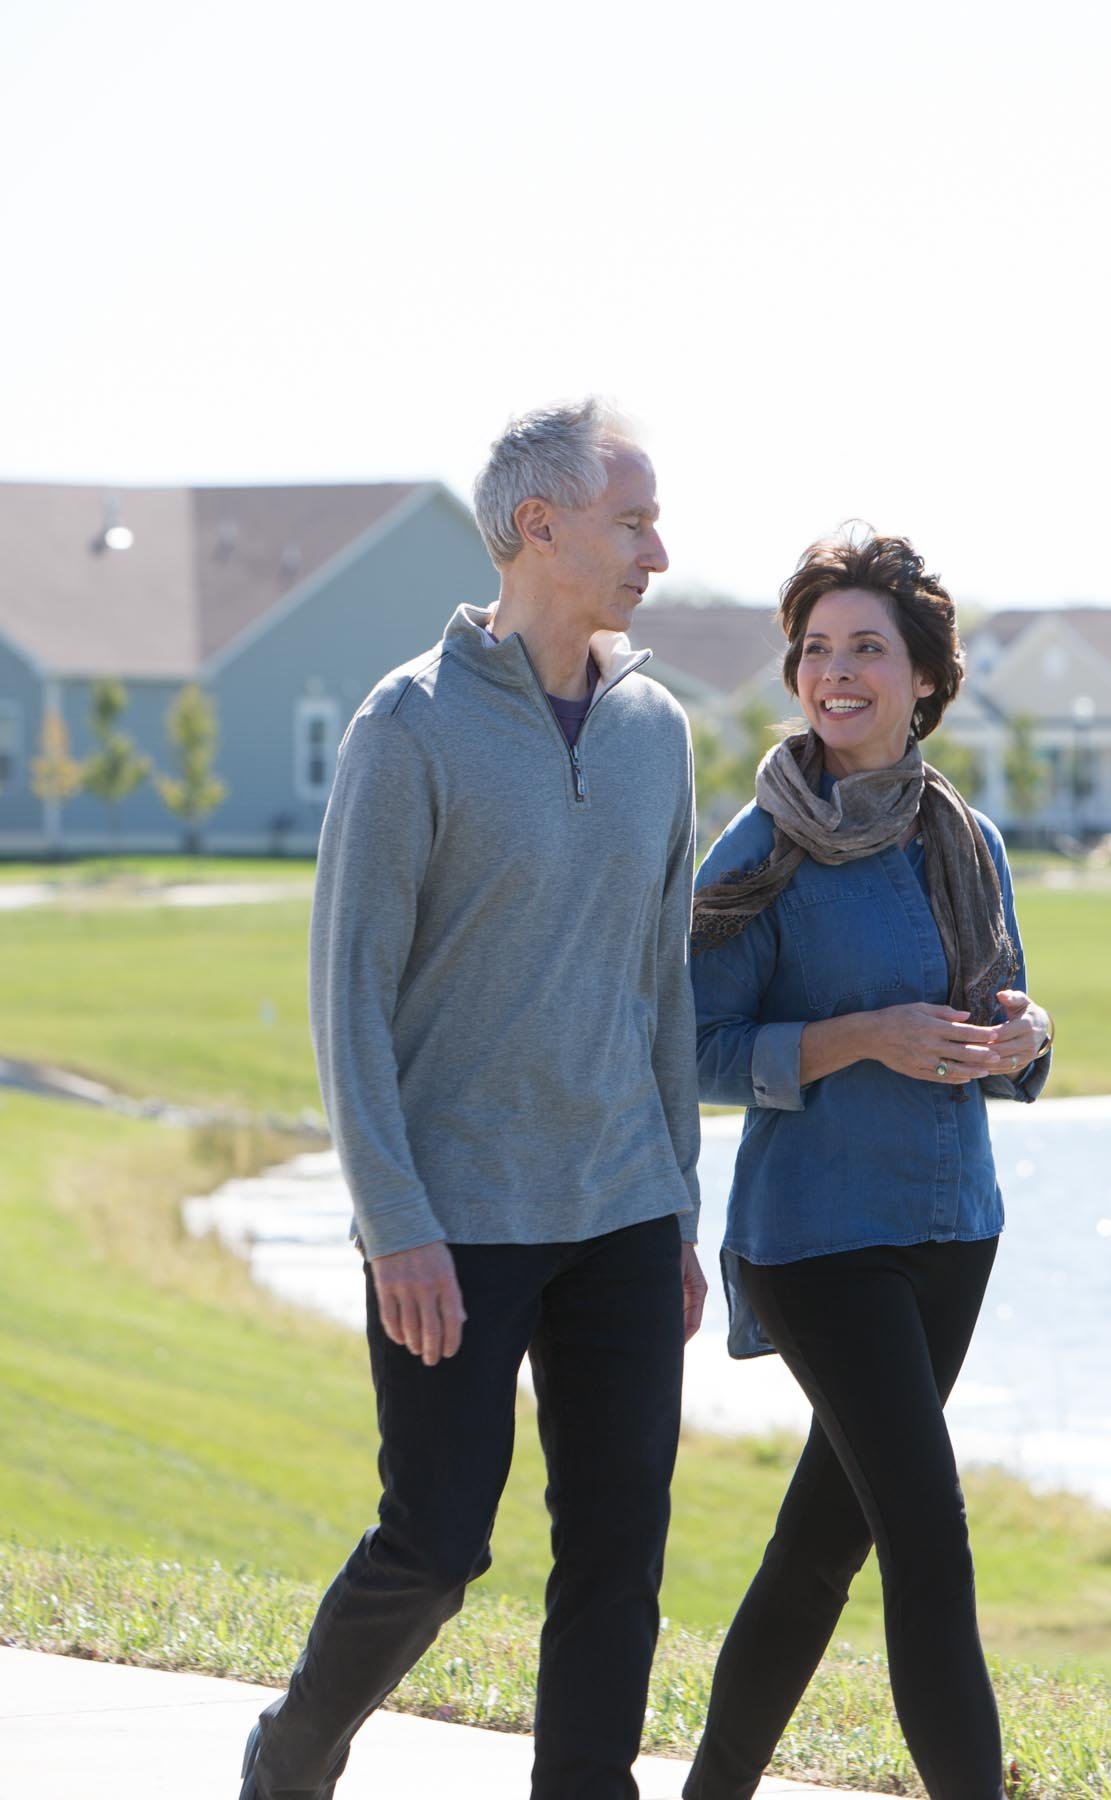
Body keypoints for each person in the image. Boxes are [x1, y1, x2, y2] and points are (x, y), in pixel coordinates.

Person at [242, 398, 710, 1800]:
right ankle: (296, 1746)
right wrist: (395, 1222)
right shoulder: (410, 724)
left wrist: (679, 1202)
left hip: (623, 1209)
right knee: (438, 1543)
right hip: (456, 1222)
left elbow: (664, 986)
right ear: (538, 527)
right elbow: (350, 995)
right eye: (634, 521)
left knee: (619, 1543)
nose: (660, 552)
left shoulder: (657, 729)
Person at [683, 528, 1052, 1800]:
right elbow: (694, 1047)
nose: (836, 673)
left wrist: (1028, 1034)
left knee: (816, 1550)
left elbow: (999, 1024)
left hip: (955, 1231)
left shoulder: (965, 841)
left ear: (923, 680)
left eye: (866, 650)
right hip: (815, 1241)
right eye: (816, 650)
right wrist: (858, 1039)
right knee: (927, 1543)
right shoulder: (759, 852)